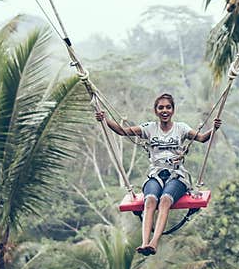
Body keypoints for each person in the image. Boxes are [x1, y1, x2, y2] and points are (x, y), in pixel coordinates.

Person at [95, 92, 221, 256]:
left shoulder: (181, 128)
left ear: (173, 110)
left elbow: (203, 138)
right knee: (150, 200)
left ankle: (154, 242)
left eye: (168, 107)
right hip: (155, 174)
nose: (164, 110)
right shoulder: (149, 128)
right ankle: (145, 242)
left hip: (177, 175)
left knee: (165, 200)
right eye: (160, 107)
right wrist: (104, 119)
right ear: (156, 111)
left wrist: (214, 128)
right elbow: (122, 131)